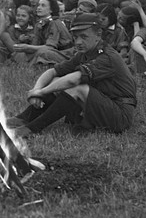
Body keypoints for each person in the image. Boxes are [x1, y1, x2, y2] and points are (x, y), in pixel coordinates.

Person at [8, 13, 137, 137]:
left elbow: (73, 80)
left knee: (76, 88)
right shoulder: (84, 53)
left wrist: (42, 92)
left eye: (84, 37)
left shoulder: (107, 56)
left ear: (98, 34)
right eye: (75, 37)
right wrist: (36, 90)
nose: (78, 42)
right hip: (99, 104)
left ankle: (32, 129)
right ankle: (24, 119)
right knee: (57, 81)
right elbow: (52, 72)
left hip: (120, 114)